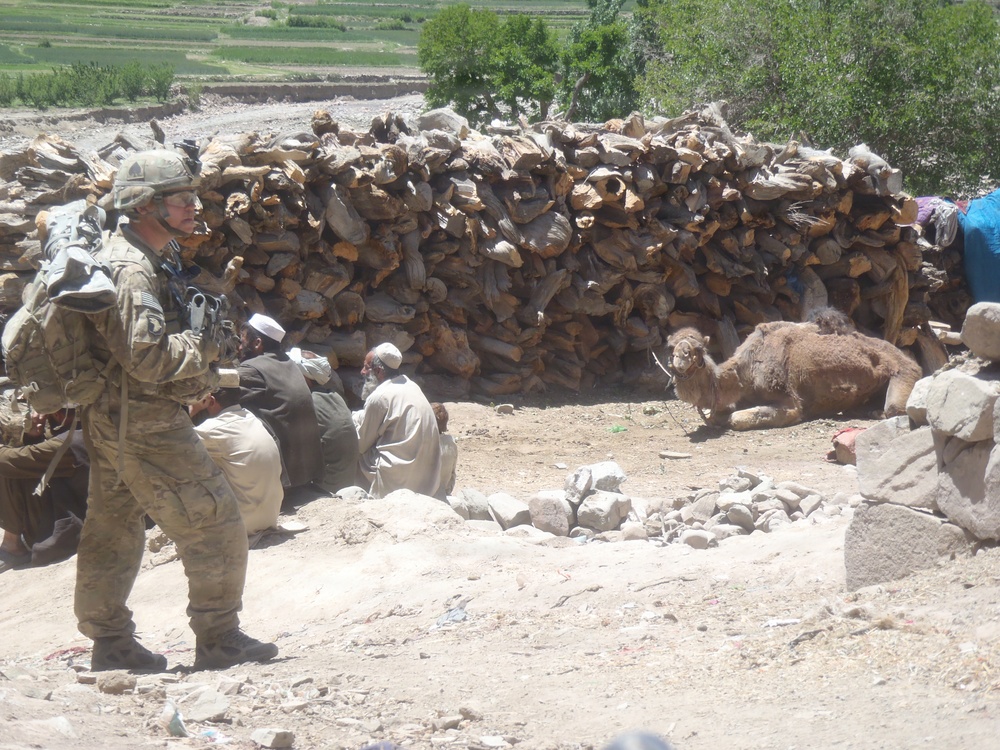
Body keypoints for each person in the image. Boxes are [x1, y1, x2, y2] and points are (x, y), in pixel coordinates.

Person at [75, 149, 276, 672]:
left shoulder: (143, 255)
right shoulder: (132, 270)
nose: (192, 207)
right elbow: (146, 358)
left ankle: (110, 643)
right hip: (144, 421)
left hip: (113, 417)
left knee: (113, 526)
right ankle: (219, 638)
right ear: (144, 205)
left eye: (190, 197)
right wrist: (202, 345)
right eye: (180, 199)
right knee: (214, 521)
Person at [237, 313, 323, 493]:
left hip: (284, 477)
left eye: (242, 341)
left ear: (257, 343)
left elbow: (219, 396)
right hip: (306, 472)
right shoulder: (289, 363)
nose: (238, 347)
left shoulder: (252, 369)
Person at [0, 404, 89, 572]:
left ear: (55, 413)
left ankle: (12, 547)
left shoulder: (74, 440)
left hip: (73, 527)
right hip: (78, 507)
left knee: (9, 469)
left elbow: (12, 461)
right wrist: (33, 437)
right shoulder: (89, 429)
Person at [190, 387, 283, 536]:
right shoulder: (251, 417)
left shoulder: (211, 430)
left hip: (241, 525)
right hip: (270, 517)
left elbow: (174, 443)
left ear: (211, 401)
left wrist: (193, 409)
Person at [353, 342, 441, 498]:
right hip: (427, 480)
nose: (362, 372)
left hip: (396, 480)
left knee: (350, 448)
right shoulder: (412, 386)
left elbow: (361, 444)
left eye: (366, 367)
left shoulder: (379, 397)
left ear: (379, 371)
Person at [287, 347, 359, 494]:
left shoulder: (307, 403)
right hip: (346, 481)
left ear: (305, 377)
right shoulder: (334, 396)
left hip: (326, 489)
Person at [431, 402, 457, 500]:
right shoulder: (451, 442)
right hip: (445, 492)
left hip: (425, 494)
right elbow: (452, 474)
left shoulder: (422, 442)